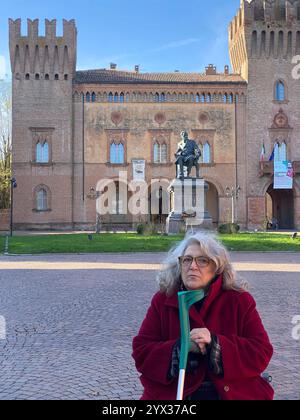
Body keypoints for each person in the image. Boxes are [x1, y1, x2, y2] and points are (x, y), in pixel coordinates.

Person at [132, 232, 274, 400]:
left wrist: (215, 344)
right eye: (187, 259)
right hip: (176, 393)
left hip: (229, 392)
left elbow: (261, 351)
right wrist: (179, 348)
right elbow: (142, 351)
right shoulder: (164, 299)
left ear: (217, 267)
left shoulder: (239, 300)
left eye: (202, 260)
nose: (192, 266)